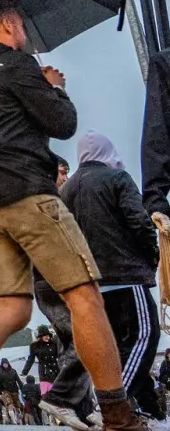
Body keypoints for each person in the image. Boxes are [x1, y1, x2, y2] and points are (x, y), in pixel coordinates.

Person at [0, 0, 143, 431]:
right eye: (21, 23)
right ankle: (117, 413)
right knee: (84, 296)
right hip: (27, 195)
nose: (25, 32)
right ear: (8, 25)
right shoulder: (15, 65)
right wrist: (54, 86)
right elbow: (62, 124)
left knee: (12, 306)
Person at [61, 132, 163, 422]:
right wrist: (152, 255)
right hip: (125, 273)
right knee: (144, 335)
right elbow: (140, 222)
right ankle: (110, 406)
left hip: (91, 284)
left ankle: (143, 408)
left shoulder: (65, 191)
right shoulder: (117, 179)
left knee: (117, 347)